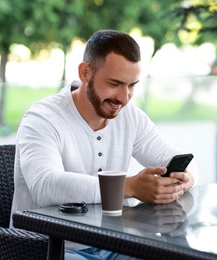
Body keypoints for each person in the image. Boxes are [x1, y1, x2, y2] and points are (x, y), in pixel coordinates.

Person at [11, 29, 198, 259]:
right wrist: (130, 187)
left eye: (131, 85)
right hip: (49, 248)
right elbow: (45, 186)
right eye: (115, 83)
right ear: (85, 72)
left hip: (113, 244)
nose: (124, 97)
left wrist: (184, 180)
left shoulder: (130, 116)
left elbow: (179, 159)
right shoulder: (42, 118)